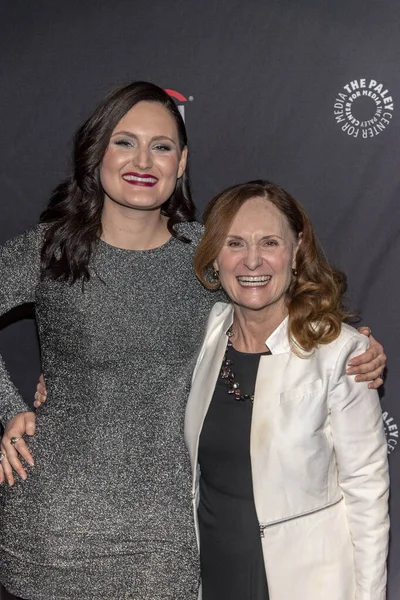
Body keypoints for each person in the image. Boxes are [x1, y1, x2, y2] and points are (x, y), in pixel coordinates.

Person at [0, 82, 385, 600]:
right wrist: (8, 408)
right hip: (50, 535)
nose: (143, 160)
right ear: (96, 153)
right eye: (124, 142)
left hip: (169, 541)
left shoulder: (205, 255)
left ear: (181, 162)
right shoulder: (50, 250)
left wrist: (354, 347)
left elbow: (278, 305)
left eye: (161, 146)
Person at [185, 180, 389, 600]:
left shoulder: (341, 354)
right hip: (214, 574)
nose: (252, 260)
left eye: (270, 242)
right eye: (235, 243)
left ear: (296, 251)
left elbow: (367, 494)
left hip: (308, 582)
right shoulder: (201, 336)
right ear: (215, 257)